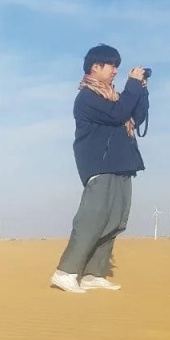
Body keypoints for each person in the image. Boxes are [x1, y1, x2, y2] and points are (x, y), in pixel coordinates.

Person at [50, 44, 149, 293]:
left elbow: (135, 116)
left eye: (117, 66)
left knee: (115, 221)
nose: (115, 71)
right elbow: (118, 114)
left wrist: (141, 90)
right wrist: (132, 86)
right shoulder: (88, 97)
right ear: (95, 67)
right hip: (100, 166)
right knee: (92, 219)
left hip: (121, 165)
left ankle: (94, 273)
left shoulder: (114, 97)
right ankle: (66, 271)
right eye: (111, 65)